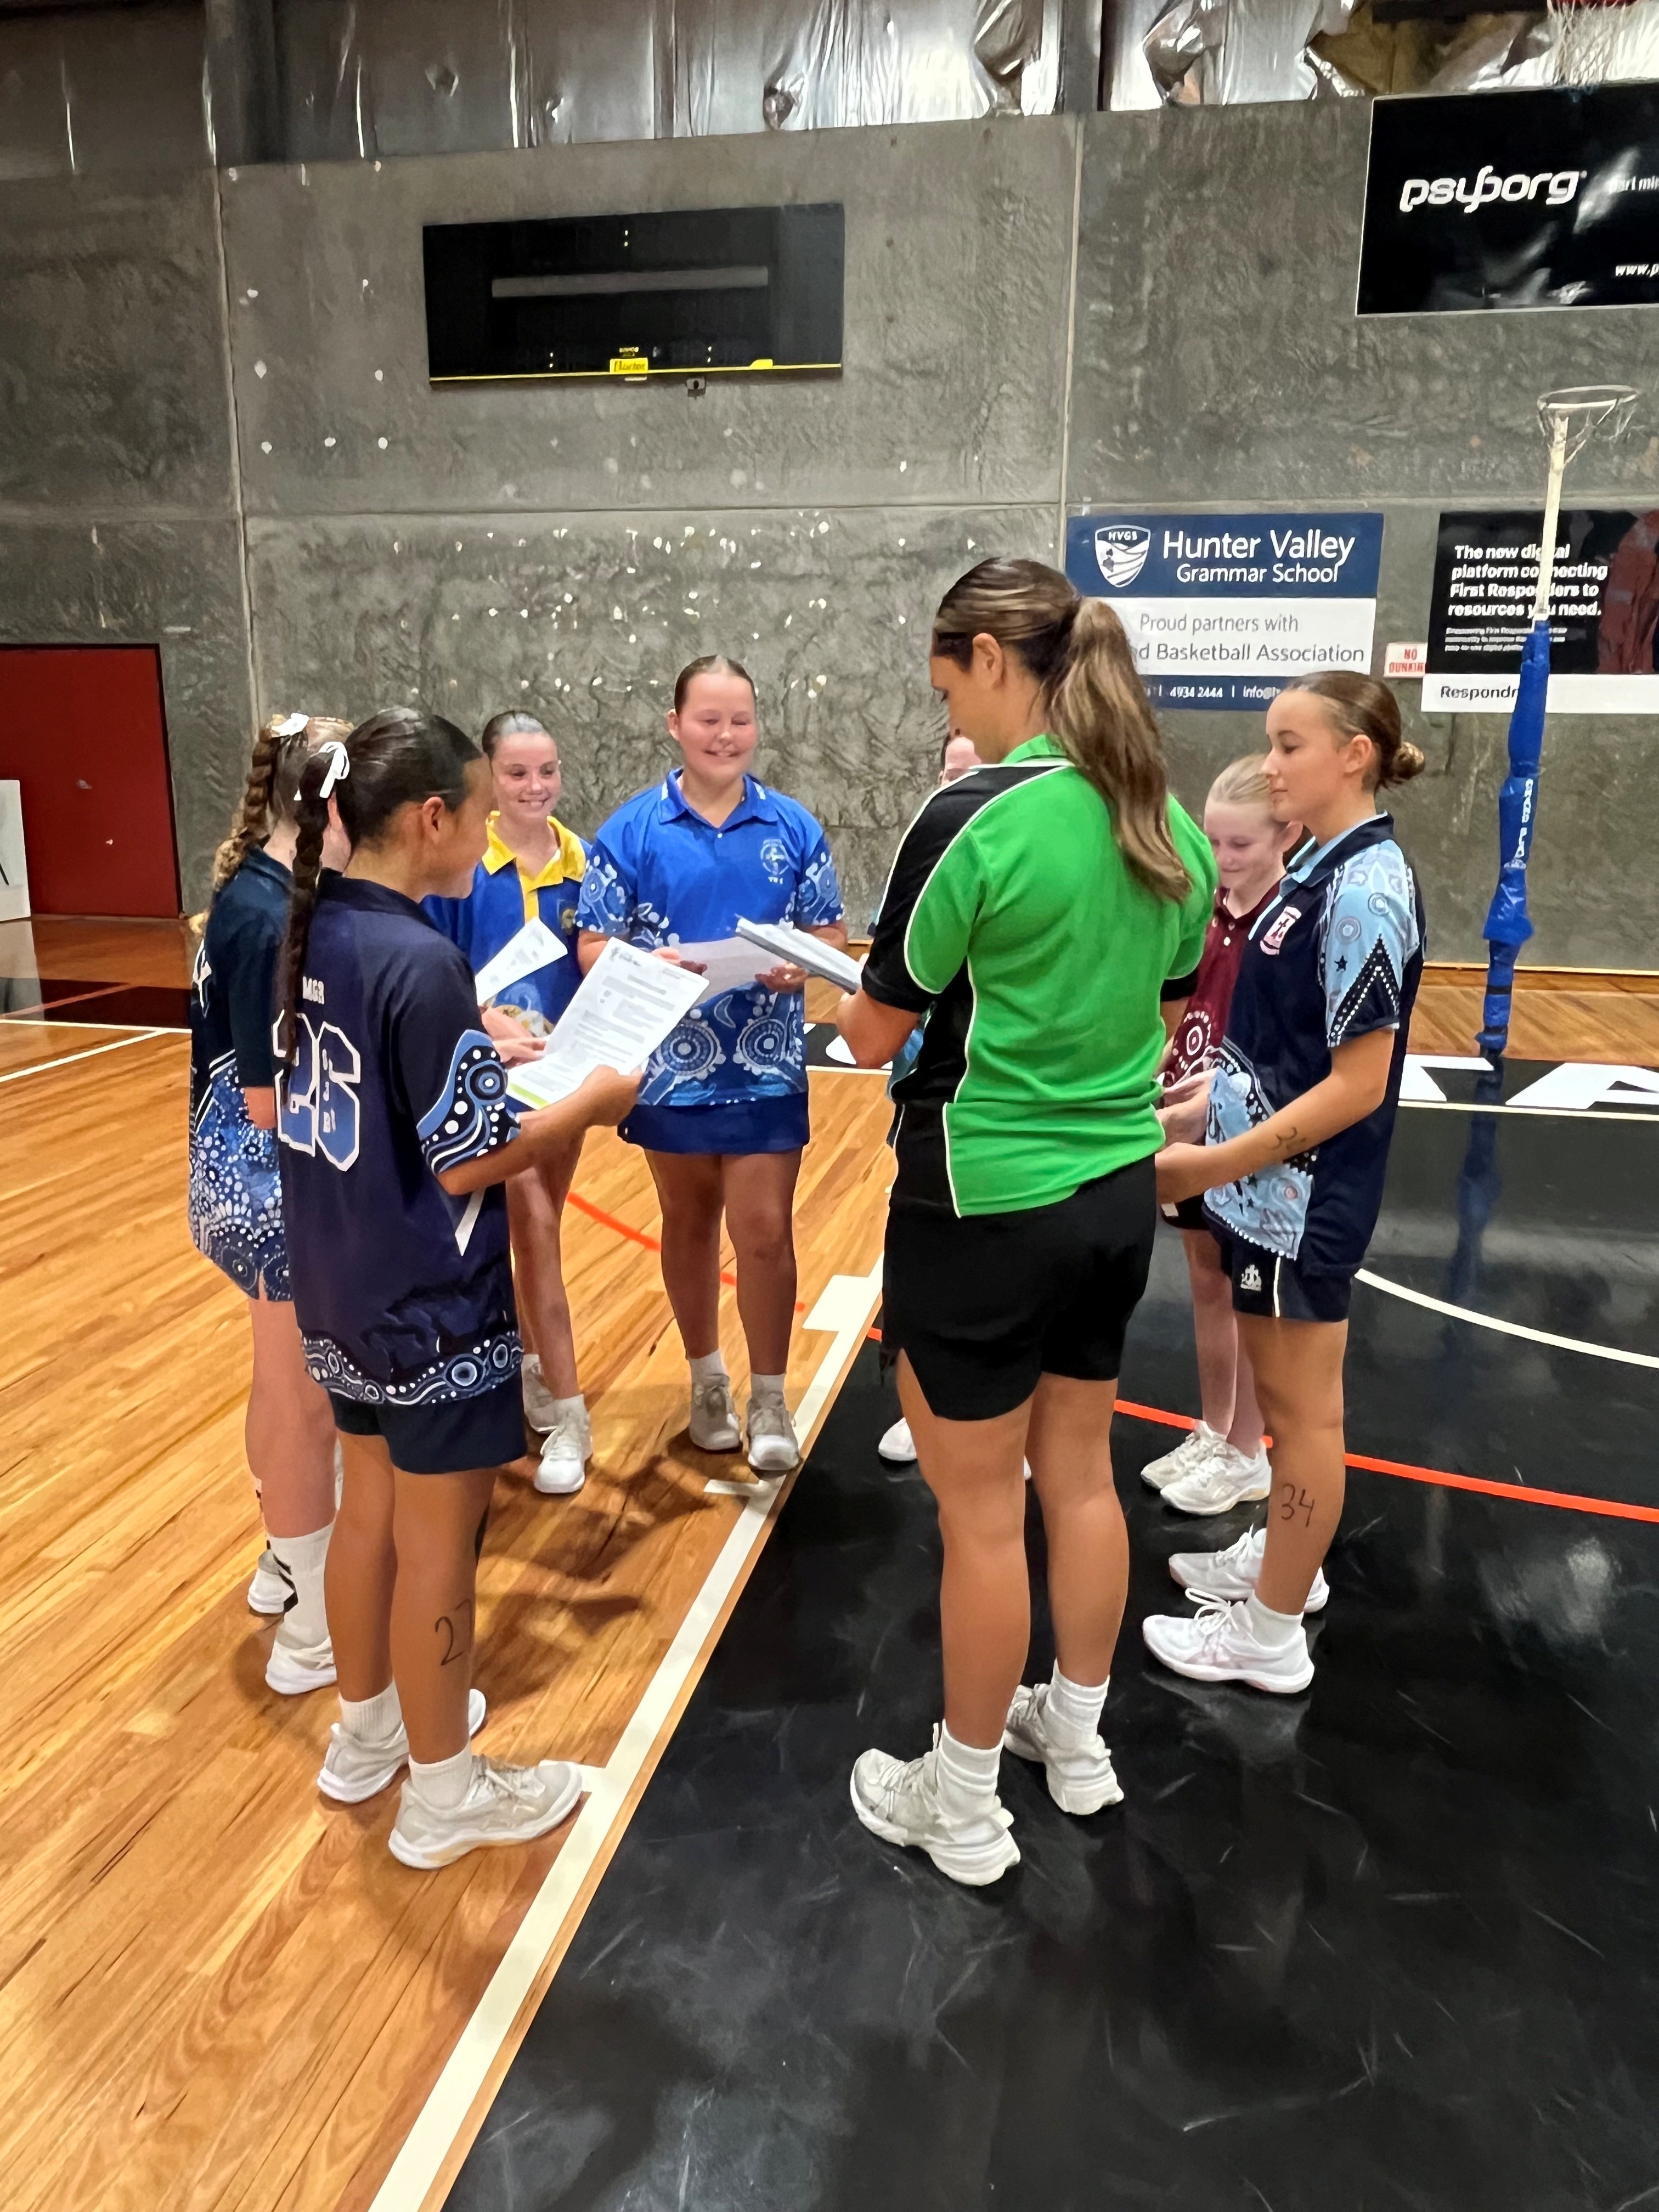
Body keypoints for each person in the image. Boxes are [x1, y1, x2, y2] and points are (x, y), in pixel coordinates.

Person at [836, 558, 1216, 1886]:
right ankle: (1079, 1739)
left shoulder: (974, 816)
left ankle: (962, 1802)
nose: (955, 714)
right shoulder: (1166, 822)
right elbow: (1164, 1019)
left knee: (985, 1520)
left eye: (951, 687)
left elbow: (871, 1028)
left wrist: (874, 997)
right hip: (1114, 1199)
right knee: (1084, 1476)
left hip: (983, 1200)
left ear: (994, 659)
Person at [275, 710, 638, 1869]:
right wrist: (588, 1104)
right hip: (427, 1299)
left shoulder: (311, 925)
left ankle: (369, 1735)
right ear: (432, 819)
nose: (488, 831)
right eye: (480, 809)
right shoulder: (421, 960)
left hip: (339, 1279)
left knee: (367, 1513)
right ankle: (443, 1795)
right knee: (438, 1544)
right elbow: (471, 1159)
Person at [1144, 674, 1425, 1695]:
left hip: (1302, 1202)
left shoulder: (1366, 893)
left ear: (1355, 755)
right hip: (1263, 1193)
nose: (1270, 765)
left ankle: (1269, 1633)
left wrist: (1214, 1161)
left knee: (1307, 1423)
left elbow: (1358, 1084)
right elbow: (1283, 1052)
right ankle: (1281, 1564)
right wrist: (1199, 1108)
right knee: (1281, 1406)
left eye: (1290, 745)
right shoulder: (1315, 868)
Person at [576, 654, 847, 1475]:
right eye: (708, 720)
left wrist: (802, 965)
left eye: (740, 720)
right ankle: (706, 1383)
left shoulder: (793, 826)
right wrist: (648, 965)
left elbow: (831, 934)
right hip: (668, 1070)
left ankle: (770, 1396)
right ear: (675, 725)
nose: (725, 735)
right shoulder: (631, 830)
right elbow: (592, 945)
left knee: (764, 1230)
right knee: (688, 1225)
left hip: (767, 1065)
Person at [189, 710, 351, 1694]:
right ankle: (314, 1633)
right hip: (264, 1184)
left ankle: (287, 1560)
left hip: (235, 1180)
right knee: (306, 1404)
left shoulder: (258, 886)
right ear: (331, 809)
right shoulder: (267, 916)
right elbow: (266, 1097)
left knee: (277, 1381)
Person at [425, 711, 593, 1497]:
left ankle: (528, 1363)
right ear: (489, 778)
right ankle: (569, 1414)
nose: (535, 786)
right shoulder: (465, 862)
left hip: (565, 1073)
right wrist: (484, 1019)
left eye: (547, 771)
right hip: (492, 1078)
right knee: (537, 1227)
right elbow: (434, 967)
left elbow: (596, 960)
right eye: (518, 773)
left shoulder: (582, 861)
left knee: (538, 1228)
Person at [1139, 753, 1302, 1516]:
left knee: (1249, 1293)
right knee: (1206, 1282)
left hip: (1248, 1133)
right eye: (1211, 842)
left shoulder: (1288, 926)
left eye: (1240, 844)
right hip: (1185, 1123)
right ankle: (1215, 1430)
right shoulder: (1204, 914)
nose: (1222, 858)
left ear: (1286, 836)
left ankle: (1248, 1451)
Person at [876, 724, 985, 1469]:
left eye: (977, 772)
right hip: (925, 1101)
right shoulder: (928, 855)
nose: (962, 787)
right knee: (925, 1258)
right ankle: (924, 1407)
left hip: (996, 1112)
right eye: (952, 775)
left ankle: (1010, 1417)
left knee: (997, 1267)